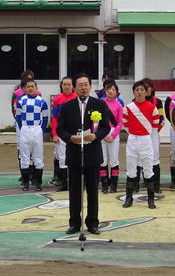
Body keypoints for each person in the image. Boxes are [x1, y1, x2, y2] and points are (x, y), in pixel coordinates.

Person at [57, 73, 111, 235]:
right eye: (80, 85)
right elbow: (60, 129)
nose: (83, 87)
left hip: (92, 153)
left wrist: (96, 136)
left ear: (90, 86)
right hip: (74, 153)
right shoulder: (67, 107)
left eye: (86, 84)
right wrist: (70, 138)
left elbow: (106, 126)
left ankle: (93, 223)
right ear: (75, 88)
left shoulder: (99, 104)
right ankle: (74, 223)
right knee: (74, 191)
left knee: (93, 191)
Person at [122, 80, 160, 209]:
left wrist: (145, 134)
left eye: (142, 90)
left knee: (148, 169)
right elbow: (125, 124)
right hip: (132, 139)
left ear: (146, 92)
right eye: (137, 90)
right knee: (131, 169)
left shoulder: (152, 108)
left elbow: (156, 125)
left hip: (146, 140)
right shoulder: (128, 108)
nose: (139, 92)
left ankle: (151, 199)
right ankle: (129, 198)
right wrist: (134, 133)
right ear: (133, 92)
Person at [15, 79, 48, 191]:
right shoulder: (20, 101)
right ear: (25, 88)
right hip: (24, 129)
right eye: (28, 86)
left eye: (32, 86)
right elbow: (18, 117)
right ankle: (25, 183)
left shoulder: (42, 102)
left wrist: (40, 129)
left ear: (36, 88)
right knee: (24, 158)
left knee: (38, 158)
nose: (30, 88)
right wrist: (22, 127)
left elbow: (45, 117)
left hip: (37, 130)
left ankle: (38, 183)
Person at [51, 76, 77, 191]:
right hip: (61, 134)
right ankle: (64, 183)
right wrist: (55, 134)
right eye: (64, 84)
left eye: (69, 84)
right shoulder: (57, 100)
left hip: (75, 134)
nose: (66, 86)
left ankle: (76, 182)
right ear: (61, 86)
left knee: (76, 158)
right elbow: (54, 118)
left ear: (73, 86)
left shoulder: (77, 98)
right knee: (62, 158)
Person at [142, 78, 165, 193]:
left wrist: (155, 130)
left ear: (152, 88)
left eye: (148, 87)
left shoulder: (158, 102)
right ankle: (144, 182)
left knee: (155, 159)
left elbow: (162, 119)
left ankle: (156, 184)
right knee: (141, 158)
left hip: (154, 134)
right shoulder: (134, 102)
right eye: (143, 87)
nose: (146, 89)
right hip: (141, 134)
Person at [100, 81, 123, 194]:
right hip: (101, 133)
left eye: (114, 89)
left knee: (114, 160)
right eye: (109, 89)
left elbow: (120, 123)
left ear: (117, 93)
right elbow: (96, 121)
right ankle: (104, 185)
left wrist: (113, 135)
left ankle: (113, 186)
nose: (111, 91)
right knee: (102, 160)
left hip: (114, 133)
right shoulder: (100, 103)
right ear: (105, 90)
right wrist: (102, 134)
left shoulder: (119, 105)